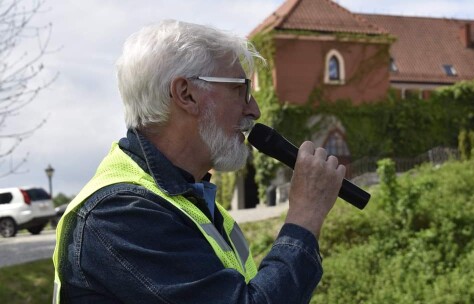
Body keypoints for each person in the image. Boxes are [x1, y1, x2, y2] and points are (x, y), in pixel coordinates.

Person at [53, 20, 345, 304]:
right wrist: (305, 216)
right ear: (186, 94)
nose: (254, 109)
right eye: (241, 89)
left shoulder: (188, 200)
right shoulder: (120, 213)